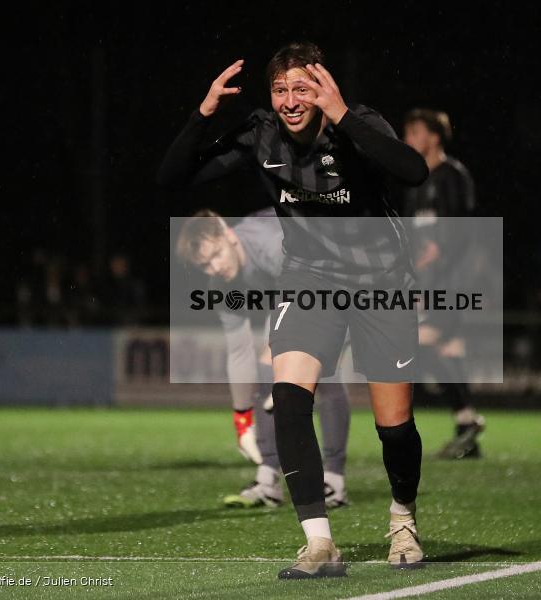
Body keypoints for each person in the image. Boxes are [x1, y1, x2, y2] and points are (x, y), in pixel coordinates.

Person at [158, 42, 429, 577]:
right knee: (287, 399)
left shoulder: (355, 123)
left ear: (323, 87)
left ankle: (402, 518)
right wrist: (203, 113)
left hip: (381, 282)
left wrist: (344, 114)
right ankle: (320, 543)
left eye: (301, 88)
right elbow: (171, 178)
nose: (289, 100)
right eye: (280, 90)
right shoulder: (262, 135)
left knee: (394, 428)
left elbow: (414, 171)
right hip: (310, 279)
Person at [174, 208, 350, 509]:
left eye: (215, 255)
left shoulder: (272, 244)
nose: (213, 268)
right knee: (267, 369)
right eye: (204, 265)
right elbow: (238, 351)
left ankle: (333, 481)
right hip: (303, 288)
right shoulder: (221, 285)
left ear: (228, 236)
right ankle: (268, 478)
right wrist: (242, 419)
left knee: (322, 374)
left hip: (341, 276)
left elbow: (315, 298)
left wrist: (282, 356)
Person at [402, 109, 486, 459]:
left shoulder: (452, 176)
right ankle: (467, 429)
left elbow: (462, 230)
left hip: (451, 282)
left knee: (421, 341)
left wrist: (440, 257)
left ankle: (468, 420)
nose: (408, 139)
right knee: (442, 348)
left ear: (433, 137)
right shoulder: (417, 180)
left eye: (414, 132)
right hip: (429, 281)